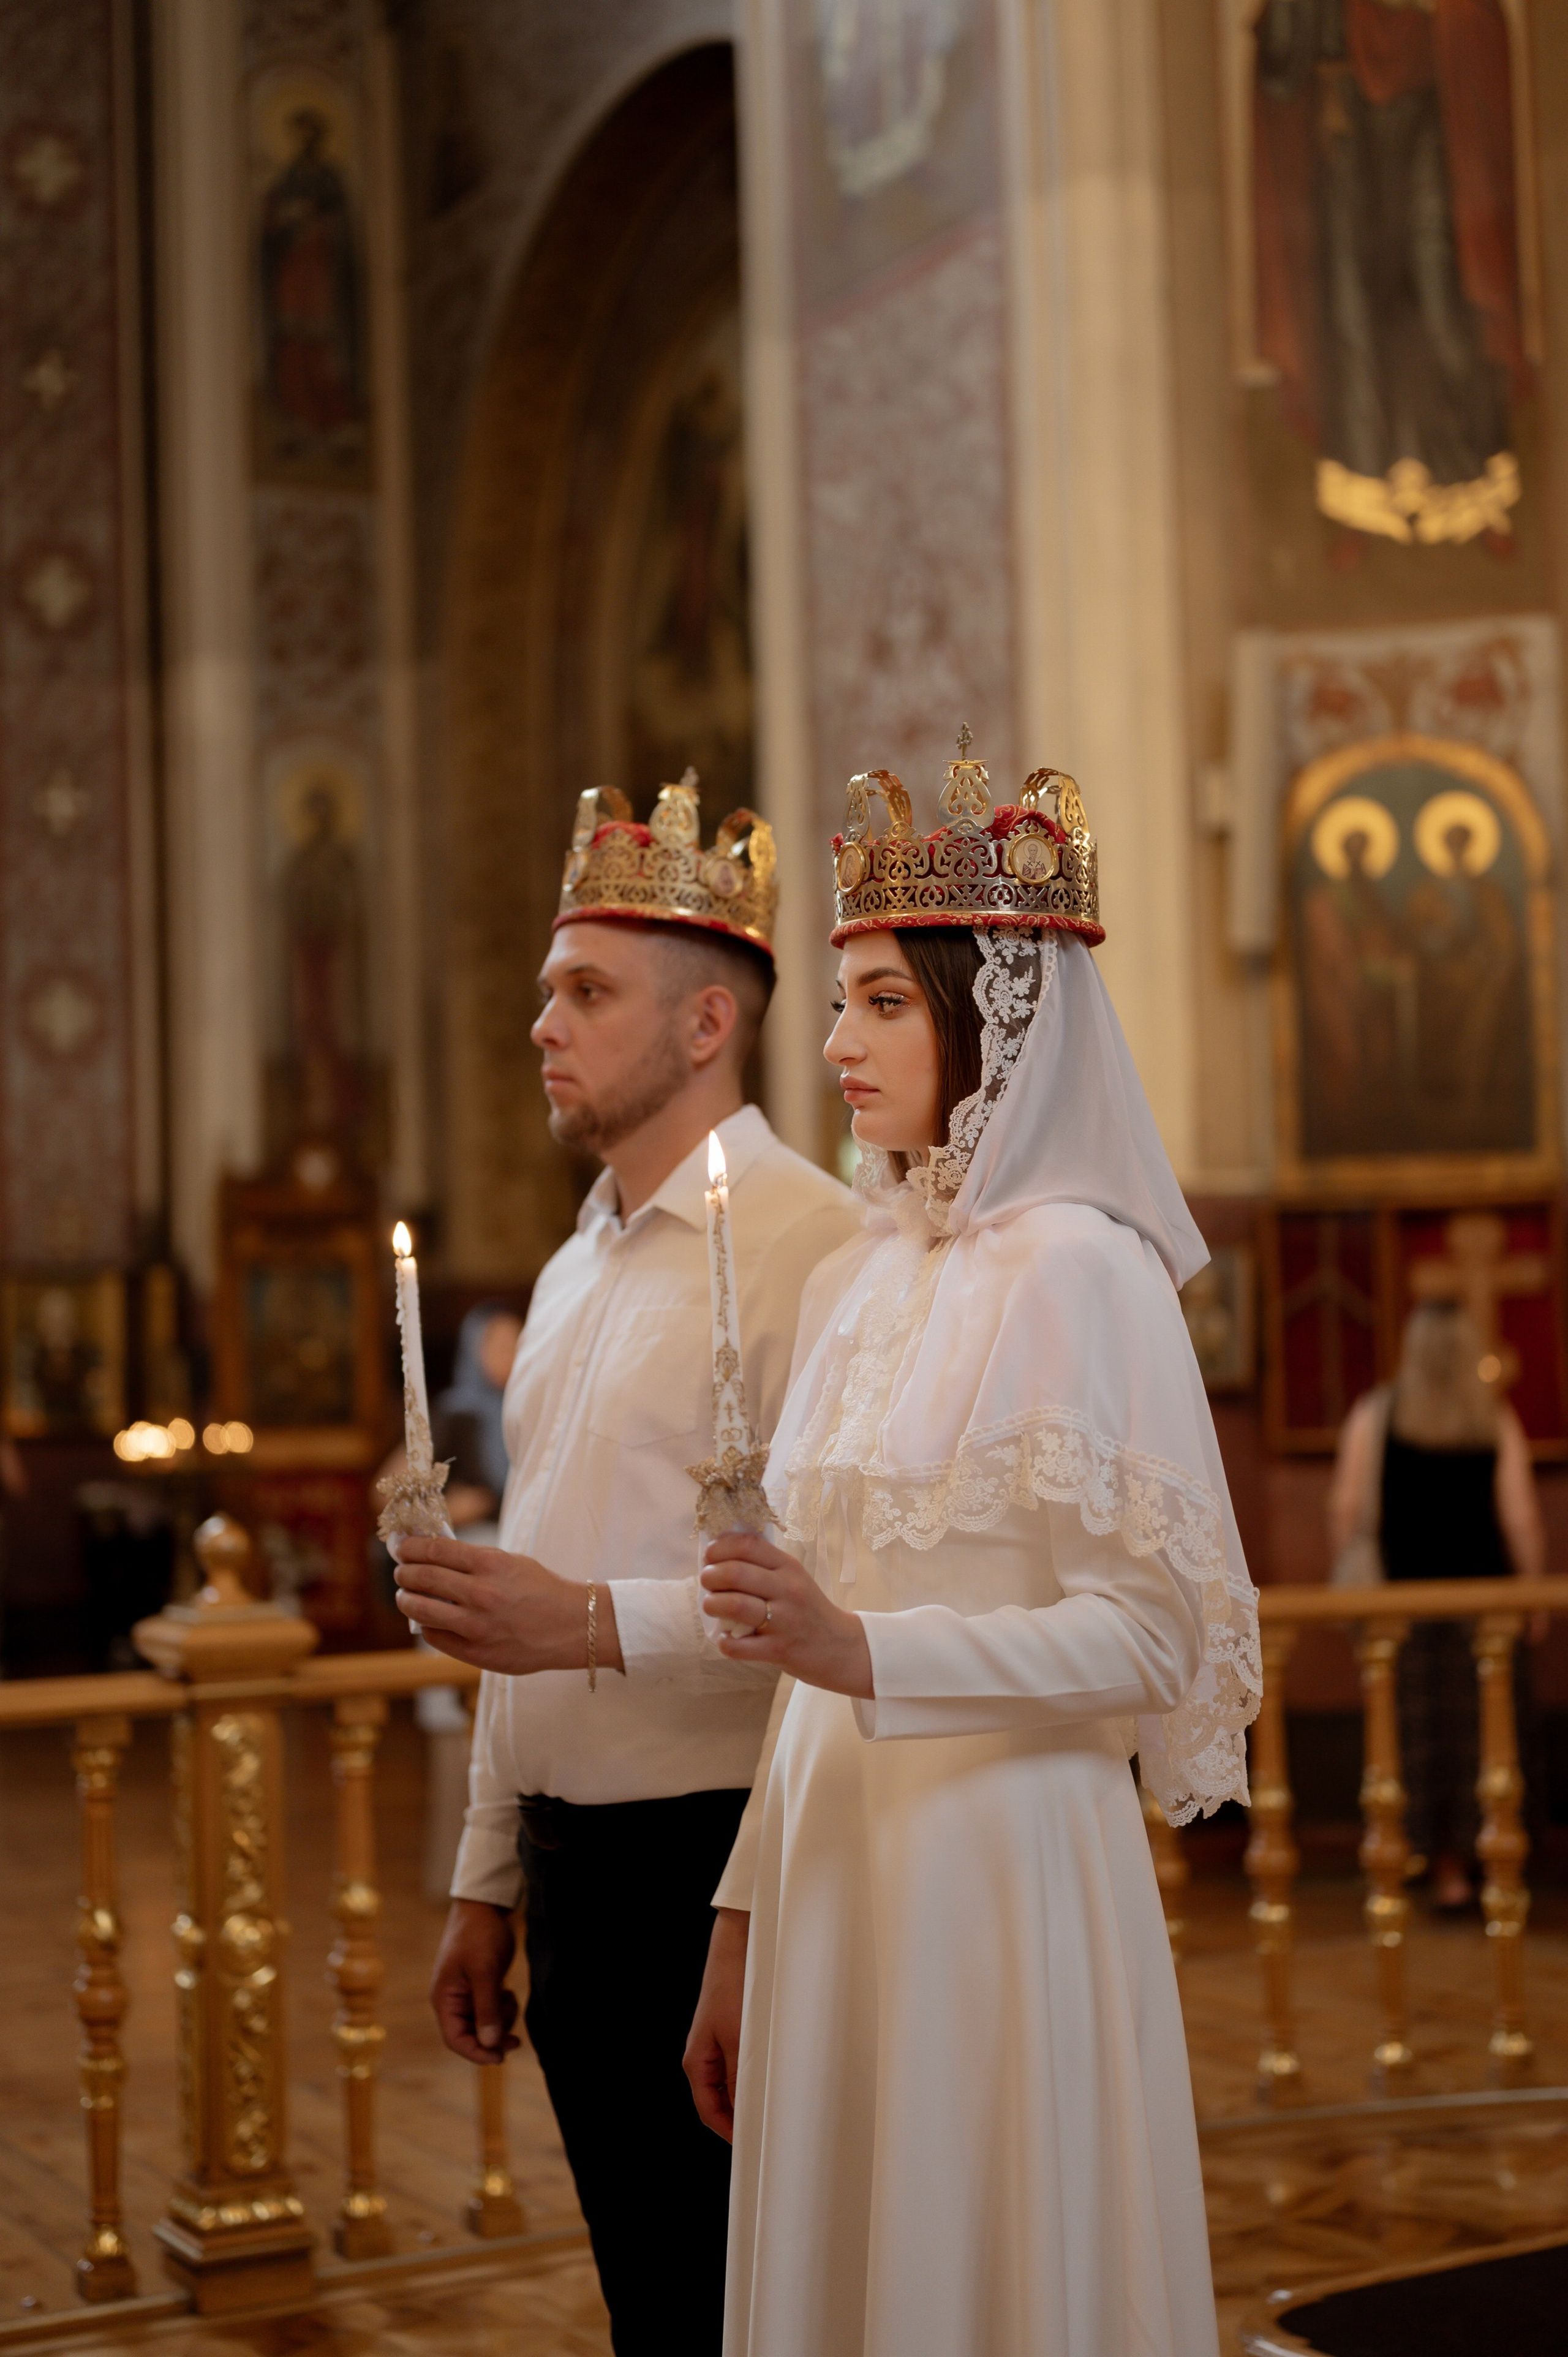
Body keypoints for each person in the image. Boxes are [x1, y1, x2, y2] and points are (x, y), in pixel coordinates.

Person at [683, 750, 1260, 2357]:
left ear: (988, 1019)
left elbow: (1159, 1642)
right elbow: (804, 1631)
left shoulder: (1083, 1269)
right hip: (829, 1867)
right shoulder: (873, 1275)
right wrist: (740, 1922)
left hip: (999, 1875)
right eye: (840, 1001)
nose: (835, 1044)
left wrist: (876, 1656)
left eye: (879, 1004)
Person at [390, 777, 860, 2356]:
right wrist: (486, 1869)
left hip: (724, 1858)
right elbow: (532, 1583)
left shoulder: (820, 1249)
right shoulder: (572, 1264)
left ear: (706, 1019)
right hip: (571, 1868)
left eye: (585, 991)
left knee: (754, 2301)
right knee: (650, 2300)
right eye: (544, 992)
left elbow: (821, 1601)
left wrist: (579, 1621)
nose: (544, 1024)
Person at [1330, 1298, 1544, 1910]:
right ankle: (1494, 1857)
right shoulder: (1494, 1418)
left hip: (1407, 1611)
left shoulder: (1375, 1415)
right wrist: (1533, 1598)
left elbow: (1346, 1510)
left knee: (1423, 1741)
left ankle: (1443, 1868)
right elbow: (1522, 1516)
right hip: (1487, 1609)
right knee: (1490, 1738)